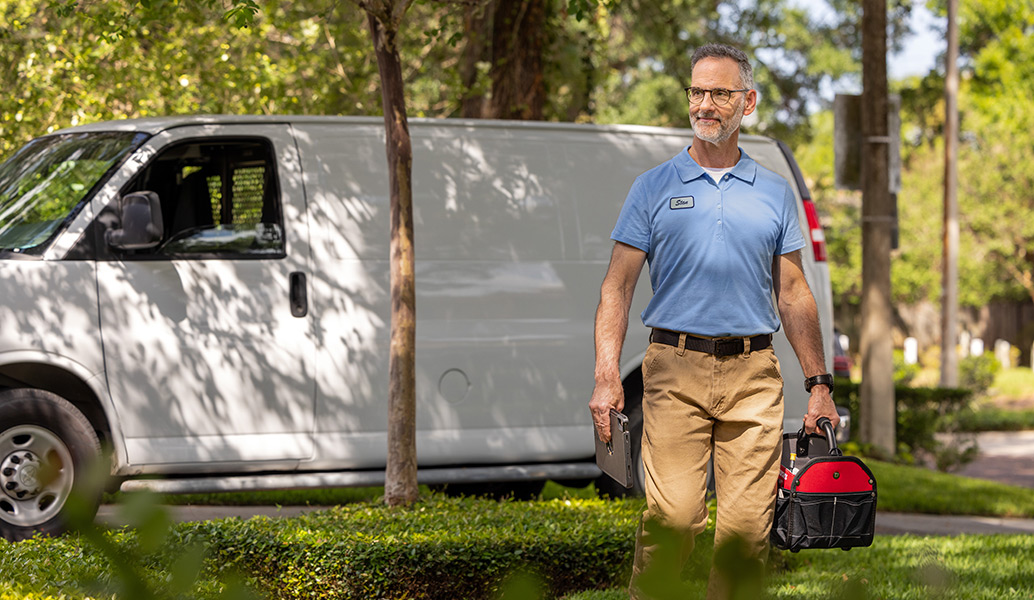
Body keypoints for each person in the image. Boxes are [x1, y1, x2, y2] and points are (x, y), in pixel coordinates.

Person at [588, 43, 839, 599]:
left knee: (746, 535)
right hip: (674, 371)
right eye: (697, 91)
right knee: (674, 521)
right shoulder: (653, 187)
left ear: (746, 102)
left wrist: (819, 384)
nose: (705, 104)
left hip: (754, 374)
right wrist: (608, 375)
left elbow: (794, 293)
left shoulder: (774, 192)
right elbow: (618, 285)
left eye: (720, 93)